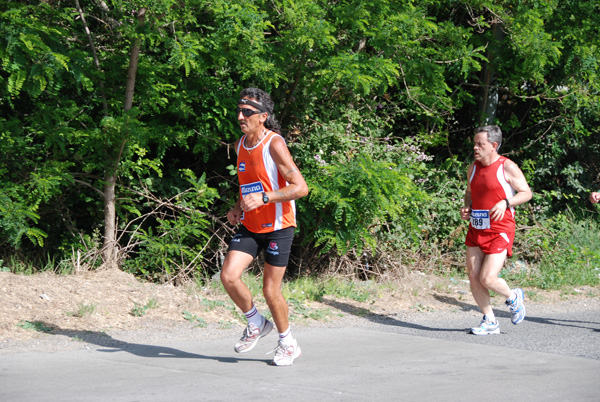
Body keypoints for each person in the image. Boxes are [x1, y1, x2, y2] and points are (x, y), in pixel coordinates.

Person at [221, 88, 308, 365]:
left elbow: (301, 188)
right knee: (229, 276)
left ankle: (288, 343)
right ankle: (256, 322)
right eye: (239, 111)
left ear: (263, 117)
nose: (240, 116)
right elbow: (246, 183)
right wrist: (237, 207)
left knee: (270, 290)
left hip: (279, 225)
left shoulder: (274, 144)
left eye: (247, 112)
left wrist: (265, 197)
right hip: (251, 224)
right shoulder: (239, 145)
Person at [460, 125, 532, 335]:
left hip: (500, 228)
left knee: (488, 278)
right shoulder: (472, 168)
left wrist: (506, 203)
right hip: (477, 226)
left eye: (480, 144)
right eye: (474, 143)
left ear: (493, 145)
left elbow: (526, 193)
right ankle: (490, 320)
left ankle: (513, 297)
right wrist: (467, 208)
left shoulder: (506, 166)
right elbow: (469, 192)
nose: (475, 147)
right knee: (474, 276)